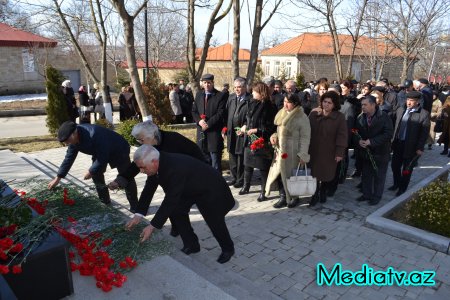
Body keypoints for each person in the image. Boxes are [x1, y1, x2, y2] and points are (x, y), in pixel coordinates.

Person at [127, 145, 235, 264]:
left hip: (209, 188)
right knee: (176, 211)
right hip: (187, 187)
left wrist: (152, 226)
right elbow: (148, 190)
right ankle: (192, 244)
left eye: (142, 167)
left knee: (214, 220)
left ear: (154, 161)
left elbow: (170, 199)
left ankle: (228, 248)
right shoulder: (156, 165)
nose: (141, 171)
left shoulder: (174, 168)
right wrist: (138, 214)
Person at [108, 120, 206, 237]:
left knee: (176, 206)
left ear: (152, 136)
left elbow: (196, 159)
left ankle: (188, 239)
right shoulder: (150, 144)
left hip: (190, 175)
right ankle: (177, 228)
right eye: (138, 140)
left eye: (141, 140)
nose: (140, 143)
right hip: (171, 176)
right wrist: (120, 180)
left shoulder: (173, 141)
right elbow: (137, 165)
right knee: (172, 206)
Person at [48, 121, 138, 211]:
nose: (67, 144)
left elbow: (103, 157)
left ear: (74, 134)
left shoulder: (94, 134)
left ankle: (135, 206)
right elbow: (69, 158)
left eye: (67, 141)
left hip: (119, 149)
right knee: (96, 174)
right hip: (100, 151)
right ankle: (104, 201)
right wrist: (58, 178)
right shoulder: (73, 141)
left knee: (126, 177)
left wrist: (90, 171)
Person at [265, 93, 311, 208]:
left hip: (293, 152)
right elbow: (278, 131)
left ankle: (294, 197)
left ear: (295, 104)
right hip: (280, 150)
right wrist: (274, 136)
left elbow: (305, 137)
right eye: (285, 101)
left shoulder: (302, 117)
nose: (285, 104)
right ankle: (283, 197)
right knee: (280, 174)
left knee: (292, 175)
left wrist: (303, 154)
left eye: (288, 102)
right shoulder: (282, 113)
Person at [239, 82, 277, 202]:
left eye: (255, 91)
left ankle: (264, 192)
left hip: (262, 141)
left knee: (263, 167)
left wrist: (257, 130)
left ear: (261, 93)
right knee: (247, 164)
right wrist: (244, 126)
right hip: (249, 139)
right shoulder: (252, 103)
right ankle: (246, 186)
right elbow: (247, 118)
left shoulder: (270, 106)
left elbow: (271, 126)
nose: (252, 93)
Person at [308, 91, 348, 206]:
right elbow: (306, 130)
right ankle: (314, 194)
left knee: (326, 173)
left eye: (329, 103)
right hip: (314, 150)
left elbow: (342, 135)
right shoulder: (314, 113)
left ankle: (323, 192)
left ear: (334, 104)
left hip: (329, 151)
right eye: (324, 101)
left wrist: (339, 152)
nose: (326, 104)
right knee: (314, 173)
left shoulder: (339, 117)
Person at [389, 91, 430, 196]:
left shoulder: (423, 114)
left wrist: (420, 148)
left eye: (412, 101)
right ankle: (396, 183)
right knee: (395, 166)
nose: (409, 102)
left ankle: (402, 188)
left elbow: (424, 134)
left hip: (411, 147)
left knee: (407, 169)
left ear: (417, 102)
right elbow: (395, 126)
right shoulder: (401, 110)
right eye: (408, 100)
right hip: (398, 143)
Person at [354, 95, 393, 205]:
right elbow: (354, 131)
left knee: (379, 176)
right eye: (362, 105)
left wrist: (372, 141)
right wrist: (358, 141)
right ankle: (366, 194)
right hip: (366, 152)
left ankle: (376, 196)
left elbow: (388, 134)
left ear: (373, 105)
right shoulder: (361, 117)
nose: (363, 107)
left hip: (381, 153)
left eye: (365, 105)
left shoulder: (384, 117)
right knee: (366, 175)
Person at [192, 73, 227, 172]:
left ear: (213, 83)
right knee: (204, 159)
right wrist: (199, 121)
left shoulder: (220, 96)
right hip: (201, 132)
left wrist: (208, 124)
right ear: (202, 83)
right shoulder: (199, 94)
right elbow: (194, 111)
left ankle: (217, 182)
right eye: (205, 83)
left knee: (215, 160)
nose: (207, 85)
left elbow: (220, 113)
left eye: (209, 83)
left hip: (213, 133)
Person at [224, 77, 251, 188]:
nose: (236, 89)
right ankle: (234, 177)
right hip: (231, 131)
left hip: (242, 132)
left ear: (245, 87)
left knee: (240, 156)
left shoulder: (250, 99)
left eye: (239, 87)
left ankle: (241, 179)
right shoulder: (231, 98)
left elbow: (250, 117)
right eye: (235, 87)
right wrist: (225, 128)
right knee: (232, 155)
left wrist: (245, 126)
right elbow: (226, 113)